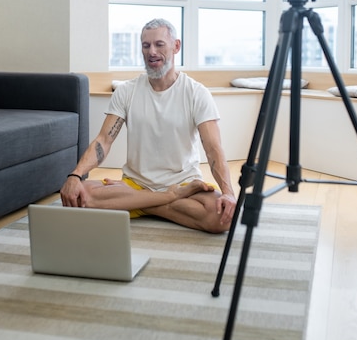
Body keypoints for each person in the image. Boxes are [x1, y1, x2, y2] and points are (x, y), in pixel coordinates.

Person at [60, 19, 236, 233]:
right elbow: (103, 141)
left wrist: (228, 193)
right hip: (136, 184)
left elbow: (213, 149)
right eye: (146, 45)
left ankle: (140, 204)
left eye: (159, 44)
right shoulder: (127, 91)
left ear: (176, 46)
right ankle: (166, 199)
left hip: (183, 184)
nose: (152, 51)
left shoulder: (196, 93)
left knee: (223, 217)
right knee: (80, 196)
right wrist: (75, 175)